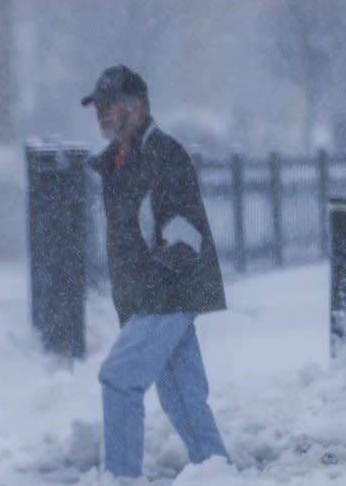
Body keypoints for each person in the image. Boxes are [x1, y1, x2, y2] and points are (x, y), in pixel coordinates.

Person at [81, 65, 230, 478]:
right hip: (148, 297)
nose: (101, 115)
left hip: (164, 295)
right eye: (97, 107)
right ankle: (218, 472)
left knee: (119, 379)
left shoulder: (164, 155)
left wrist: (158, 286)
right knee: (182, 397)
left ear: (136, 107)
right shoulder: (118, 161)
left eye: (109, 106)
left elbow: (184, 235)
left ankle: (122, 477)